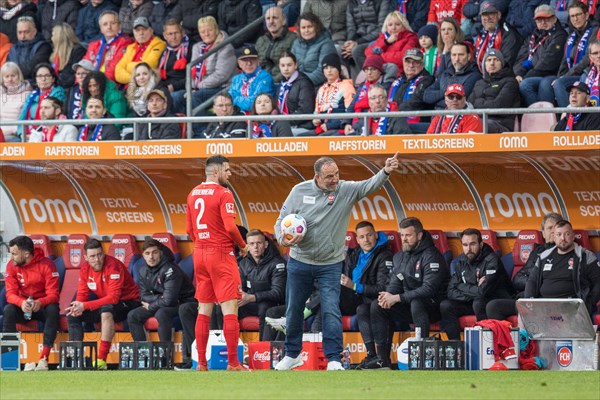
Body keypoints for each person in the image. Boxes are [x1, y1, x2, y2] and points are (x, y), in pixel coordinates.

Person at [273, 153, 401, 371]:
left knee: (331, 309)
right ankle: (292, 354)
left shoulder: (345, 189)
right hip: (299, 261)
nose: (335, 179)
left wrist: (386, 171)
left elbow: (369, 185)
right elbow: (280, 224)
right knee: (294, 309)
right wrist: (283, 239)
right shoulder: (299, 191)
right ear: (317, 177)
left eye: (336, 174)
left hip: (330, 264)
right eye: (329, 176)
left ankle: (334, 358)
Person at [185, 155, 250, 371]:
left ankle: (201, 363)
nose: (230, 174)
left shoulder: (192, 193)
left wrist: (203, 243)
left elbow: (189, 231)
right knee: (230, 308)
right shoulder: (224, 193)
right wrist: (242, 245)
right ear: (215, 172)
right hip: (221, 253)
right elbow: (231, 227)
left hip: (200, 252)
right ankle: (233, 362)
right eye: (227, 170)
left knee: (204, 309)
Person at [366, 217, 449, 369]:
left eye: (408, 235)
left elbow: (428, 289)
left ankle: (421, 355)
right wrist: (388, 296)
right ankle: (382, 360)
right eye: (402, 235)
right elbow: (396, 281)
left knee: (417, 303)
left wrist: (397, 298)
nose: (404, 239)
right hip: (409, 305)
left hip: (434, 307)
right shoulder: (400, 256)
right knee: (378, 306)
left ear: (419, 236)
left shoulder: (432, 255)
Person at [66, 239, 141, 370]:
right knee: (73, 315)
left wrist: (84, 306)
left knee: (106, 310)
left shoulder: (113, 266)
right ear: (86, 257)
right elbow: (82, 293)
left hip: (129, 302)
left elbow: (113, 298)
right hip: (108, 303)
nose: (97, 259)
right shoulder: (85, 268)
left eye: (100, 254)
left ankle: (101, 359)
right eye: (93, 256)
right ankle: (76, 358)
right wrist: (78, 306)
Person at [440, 228, 515, 341]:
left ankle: (485, 343)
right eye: (465, 245)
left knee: (478, 302)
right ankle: (455, 345)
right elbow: (450, 291)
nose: (468, 249)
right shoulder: (462, 261)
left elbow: (483, 292)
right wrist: (474, 287)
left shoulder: (492, 260)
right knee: (446, 305)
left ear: (481, 244)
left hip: (494, 301)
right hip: (473, 300)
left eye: (472, 244)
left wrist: (460, 286)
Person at [486, 212, 563, 321]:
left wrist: (533, 283)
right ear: (543, 233)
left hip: (545, 301)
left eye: (556, 228)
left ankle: (526, 337)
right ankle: (507, 338)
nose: (553, 231)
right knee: (493, 306)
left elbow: (552, 283)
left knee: (525, 307)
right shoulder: (537, 251)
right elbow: (517, 279)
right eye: (549, 228)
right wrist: (532, 282)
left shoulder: (564, 252)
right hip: (526, 297)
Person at [340, 221, 393, 370]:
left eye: (369, 235)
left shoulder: (384, 255)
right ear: (357, 239)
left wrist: (356, 286)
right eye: (362, 237)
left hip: (371, 299)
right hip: (354, 297)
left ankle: (378, 358)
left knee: (362, 309)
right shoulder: (355, 254)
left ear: (375, 235)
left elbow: (383, 287)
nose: (366, 240)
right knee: (330, 292)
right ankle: (371, 356)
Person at [2, 236, 59, 372]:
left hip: (41, 307)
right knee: (8, 309)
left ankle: (43, 359)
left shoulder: (47, 265)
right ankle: (8, 360)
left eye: (14, 254)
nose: (12, 257)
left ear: (26, 254)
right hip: (23, 307)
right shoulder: (11, 266)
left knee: (53, 309)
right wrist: (21, 303)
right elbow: (10, 294)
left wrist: (40, 302)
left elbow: (54, 295)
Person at [525, 219, 600, 317]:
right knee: (517, 308)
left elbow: (598, 283)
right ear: (554, 237)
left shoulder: (585, 256)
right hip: (543, 305)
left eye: (567, 234)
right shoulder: (544, 256)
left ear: (573, 236)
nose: (563, 238)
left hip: (571, 307)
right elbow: (532, 280)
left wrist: (587, 305)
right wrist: (529, 302)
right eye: (559, 234)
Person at [127, 239, 196, 342]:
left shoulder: (170, 269)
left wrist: (151, 306)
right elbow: (142, 296)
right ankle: (143, 352)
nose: (151, 257)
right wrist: (159, 298)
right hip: (160, 302)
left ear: (161, 253)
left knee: (161, 313)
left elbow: (169, 300)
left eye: (154, 252)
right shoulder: (143, 270)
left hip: (182, 303)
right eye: (147, 253)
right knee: (132, 315)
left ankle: (165, 352)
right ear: (143, 255)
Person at [171, 16, 236, 117]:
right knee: (174, 97)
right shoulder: (197, 47)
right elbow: (191, 71)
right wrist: (190, 87)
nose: (206, 34)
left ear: (216, 29)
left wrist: (197, 87)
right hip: (199, 88)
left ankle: (199, 131)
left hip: (220, 88)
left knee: (193, 97)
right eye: (202, 31)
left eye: (209, 30)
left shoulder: (226, 47)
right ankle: (181, 129)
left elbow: (221, 75)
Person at [236, 229, 287, 341]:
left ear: (266, 244)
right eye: (252, 244)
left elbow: (278, 293)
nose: (255, 247)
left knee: (265, 307)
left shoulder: (277, 263)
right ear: (247, 246)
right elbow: (242, 289)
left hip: (272, 304)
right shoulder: (243, 263)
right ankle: (222, 347)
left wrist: (252, 297)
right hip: (251, 303)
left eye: (259, 243)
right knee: (224, 308)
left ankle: (263, 348)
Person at [515, 5, 568, 106]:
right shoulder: (533, 37)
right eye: (539, 20)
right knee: (512, 83)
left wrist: (525, 77)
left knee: (526, 84)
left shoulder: (559, 36)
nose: (543, 23)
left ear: (554, 19)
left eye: (546, 19)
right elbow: (522, 58)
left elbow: (548, 63)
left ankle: (541, 117)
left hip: (550, 74)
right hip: (533, 73)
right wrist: (518, 74)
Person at [547, 3, 598, 107]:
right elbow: (564, 61)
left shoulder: (595, 31)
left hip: (586, 72)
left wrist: (565, 77)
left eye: (578, 15)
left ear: (587, 15)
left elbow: (588, 58)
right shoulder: (571, 36)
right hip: (572, 73)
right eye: (572, 16)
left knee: (559, 84)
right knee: (543, 83)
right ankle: (554, 118)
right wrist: (560, 76)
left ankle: (570, 115)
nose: (575, 19)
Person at [469, 48, 521, 132]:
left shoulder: (510, 82)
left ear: (502, 64)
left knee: (477, 124)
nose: (492, 63)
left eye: (496, 60)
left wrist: (478, 103)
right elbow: (470, 106)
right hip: (480, 122)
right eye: (489, 60)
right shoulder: (479, 83)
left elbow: (498, 106)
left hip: (501, 125)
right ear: (484, 65)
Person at [307, 53, 355, 136]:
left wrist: (330, 125)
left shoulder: (347, 87)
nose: (329, 71)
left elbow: (350, 114)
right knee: (300, 137)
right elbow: (316, 111)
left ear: (339, 70)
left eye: (332, 67)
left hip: (338, 128)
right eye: (326, 68)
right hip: (322, 128)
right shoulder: (321, 89)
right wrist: (315, 120)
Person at [423, 41, 481, 109]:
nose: (457, 59)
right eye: (454, 55)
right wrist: (446, 93)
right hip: (438, 117)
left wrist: (437, 98)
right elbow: (426, 95)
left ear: (468, 56)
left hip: (459, 117)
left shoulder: (474, 76)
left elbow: (459, 100)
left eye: (461, 55)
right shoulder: (445, 74)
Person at [389, 48, 435, 133]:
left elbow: (415, 102)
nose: (411, 65)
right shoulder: (399, 80)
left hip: (417, 124)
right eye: (408, 62)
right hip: (396, 120)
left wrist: (393, 112)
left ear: (422, 64)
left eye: (415, 62)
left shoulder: (427, 80)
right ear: (403, 62)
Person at [18, 63, 65, 140]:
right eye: (39, 76)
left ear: (53, 79)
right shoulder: (31, 95)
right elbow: (22, 117)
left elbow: (51, 117)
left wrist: (35, 135)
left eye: (47, 76)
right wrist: (22, 134)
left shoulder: (58, 93)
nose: (43, 79)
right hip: (29, 134)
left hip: (49, 134)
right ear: (36, 79)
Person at [83, 10, 133, 83]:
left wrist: (97, 84)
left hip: (109, 85)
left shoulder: (125, 42)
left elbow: (113, 70)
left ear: (119, 25)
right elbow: (84, 67)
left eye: (112, 23)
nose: (109, 27)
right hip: (92, 84)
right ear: (101, 29)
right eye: (105, 24)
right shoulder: (93, 45)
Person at [364, 11, 419, 75]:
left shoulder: (411, 38)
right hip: (380, 74)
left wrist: (380, 56)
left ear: (404, 25)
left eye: (397, 24)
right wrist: (386, 42)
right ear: (386, 27)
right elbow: (368, 53)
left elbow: (404, 58)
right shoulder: (384, 37)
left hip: (398, 74)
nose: (393, 28)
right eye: (390, 25)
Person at [115, 16, 166, 85]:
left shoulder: (159, 44)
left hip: (148, 86)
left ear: (151, 31)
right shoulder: (131, 47)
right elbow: (118, 73)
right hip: (130, 86)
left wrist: (128, 66)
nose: (141, 33)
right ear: (133, 32)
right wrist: (135, 79)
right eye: (137, 30)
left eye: (144, 29)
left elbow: (148, 66)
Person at [290, 11, 337, 87]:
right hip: (298, 84)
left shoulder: (326, 44)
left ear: (317, 27)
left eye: (310, 27)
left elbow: (321, 72)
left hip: (318, 86)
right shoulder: (296, 43)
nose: (306, 30)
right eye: (303, 27)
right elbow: (290, 65)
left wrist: (300, 82)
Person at [474, 1, 522, 71]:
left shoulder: (507, 33)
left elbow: (507, 61)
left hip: (503, 75)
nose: (487, 18)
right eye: (484, 15)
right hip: (484, 75)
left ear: (499, 15)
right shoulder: (481, 35)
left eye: (491, 13)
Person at [345, 84, 411, 135]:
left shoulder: (397, 119)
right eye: (373, 98)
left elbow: (401, 142)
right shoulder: (363, 120)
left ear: (386, 99)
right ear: (369, 102)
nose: (377, 101)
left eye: (381, 97)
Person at [229, 44, 275, 114]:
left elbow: (253, 104)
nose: (249, 63)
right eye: (244, 60)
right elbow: (229, 101)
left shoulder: (265, 77)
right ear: (239, 63)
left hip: (258, 118)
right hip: (238, 117)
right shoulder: (236, 79)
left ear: (258, 61)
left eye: (252, 59)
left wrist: (237, 99)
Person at [277, 50, 315, 133]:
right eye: (282, 65)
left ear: (295, 65)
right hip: (286, 124)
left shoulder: (304, 82)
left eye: (289, 65)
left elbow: (306, 110)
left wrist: (283, 122)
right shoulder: (283, 83)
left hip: (302, 126)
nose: (286, 69)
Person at [256, 6, 296, 83]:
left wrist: (269, 81)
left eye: (275, 18)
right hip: (261, 82)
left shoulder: (294, 39)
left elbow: (293, 67)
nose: (271, 21)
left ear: (284, 21)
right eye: (268, 18)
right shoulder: (261, 40)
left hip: (282, 83)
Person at [7, 16, 52, 81]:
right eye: (20, 32)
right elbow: (6, 69)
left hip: (34, 86)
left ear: (34, 32)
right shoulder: (13, 49)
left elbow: (32, 68)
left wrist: (12, 72)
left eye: (26, 32)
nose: (22, 36)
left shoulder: (43, 47)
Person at [156, 19, 191, 98]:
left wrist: (174, 86)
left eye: (176, 33)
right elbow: (159, 76)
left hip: (183, 88)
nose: (174, 37)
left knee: (174, 97)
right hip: (167, 88)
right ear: (165, 36)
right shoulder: (164, 53)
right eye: (170, 34)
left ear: (183, 33)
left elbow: (194, 76)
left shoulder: (191, 48)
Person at [0, 62, 32, 142]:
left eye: (13, 76)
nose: (10, 79)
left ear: (19, 76)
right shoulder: (1, 94)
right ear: (2, 79)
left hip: (16, 135)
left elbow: (27, 120)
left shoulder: (28, 95)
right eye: (7, 76)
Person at [49, 22, 86, 88]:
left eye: (53, 35)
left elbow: (75, 76)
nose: (51, 38)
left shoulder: (78, 51)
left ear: (59, 38)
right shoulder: (55, 54)